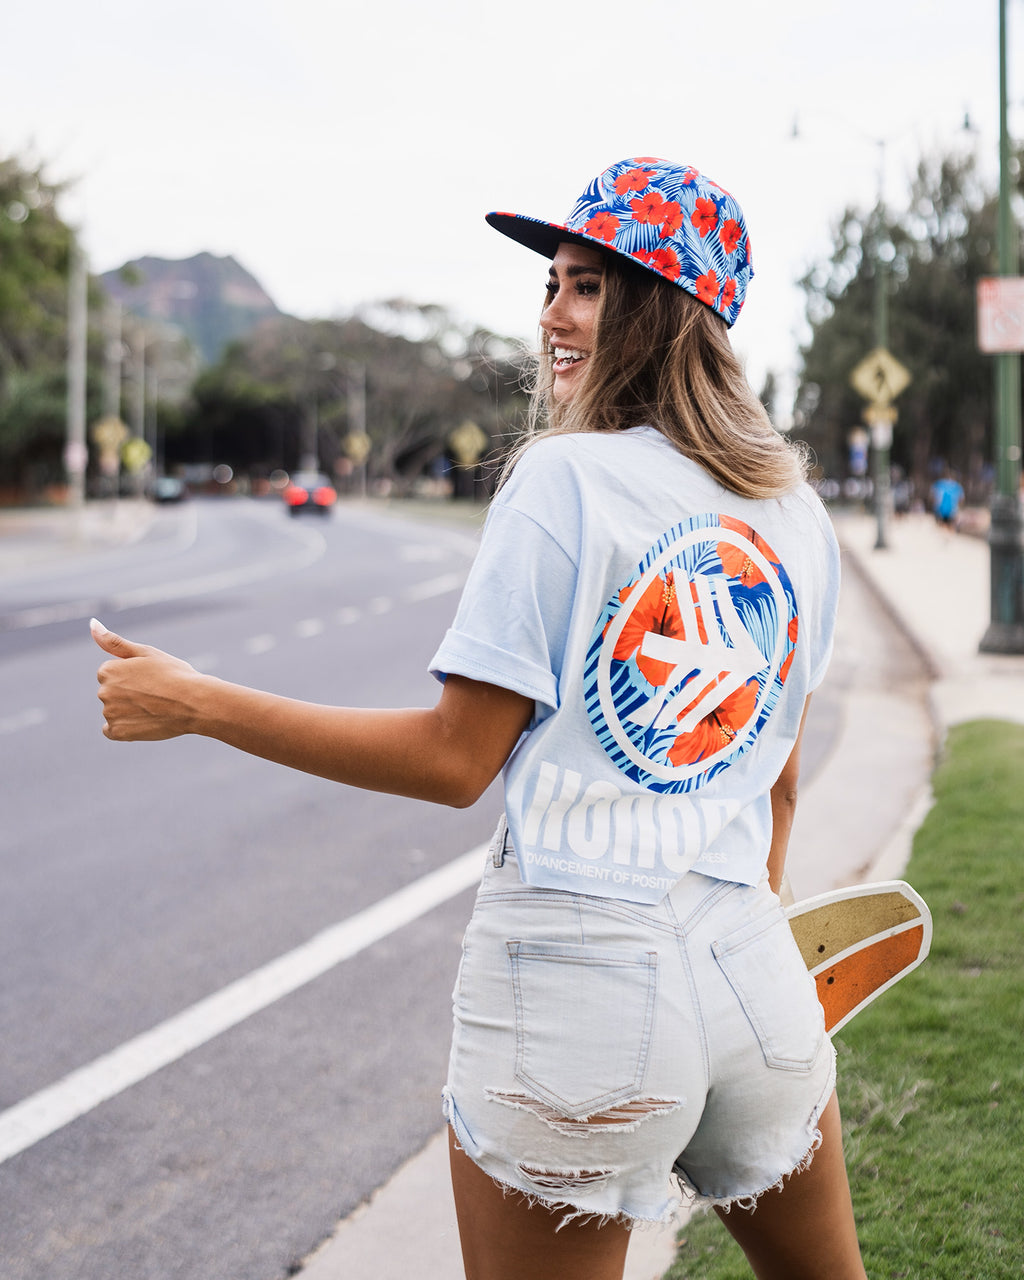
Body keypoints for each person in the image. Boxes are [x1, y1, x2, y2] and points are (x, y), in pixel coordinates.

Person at [93, 157, 865, 1280]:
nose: (552, 311)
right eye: (551, 281)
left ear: (663, 308)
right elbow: (776, 775)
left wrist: (200, 701)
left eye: (589, 284)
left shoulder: (563, 483)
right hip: (755, 977)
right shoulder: (794, 511)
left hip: (579, 987)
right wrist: (744, 941)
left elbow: (457, 761)